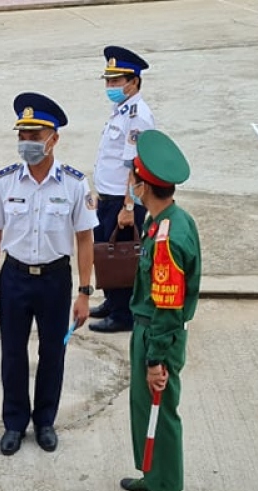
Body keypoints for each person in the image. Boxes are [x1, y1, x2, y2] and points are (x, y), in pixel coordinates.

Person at [0, 93, 97, 456]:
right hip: (14, 278)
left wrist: (84, 292)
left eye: (35, 135)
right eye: (23, 136)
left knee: (53, 352)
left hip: (55, 280)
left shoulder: (75, 184)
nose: (27, 143)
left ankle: (45, 421)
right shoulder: (5, 182)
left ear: (54, 139)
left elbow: (84, 238)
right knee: (12, 353)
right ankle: (14, 423)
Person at [118, 130, 200, 491]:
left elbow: (168, 307)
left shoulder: (167, 237)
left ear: (144, 183)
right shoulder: (167, 220)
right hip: (149, 328)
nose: (130, 185)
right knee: (143, 405)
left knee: (159, 408)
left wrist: (156, 360)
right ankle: (153, 472)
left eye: (133, 178)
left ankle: (164, 488)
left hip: (157, 333)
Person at [89, 45, 157, 333]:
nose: (111, 86)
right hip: (108, 196)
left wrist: (129, 207)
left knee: (123, 255)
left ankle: (123, 314)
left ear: (134, 82)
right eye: (108, 81)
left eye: (116, 81)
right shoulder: (120, 109)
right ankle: (112, 301)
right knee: (106, 250)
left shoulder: (137, 115)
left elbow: (135, 166)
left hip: (122, 199)